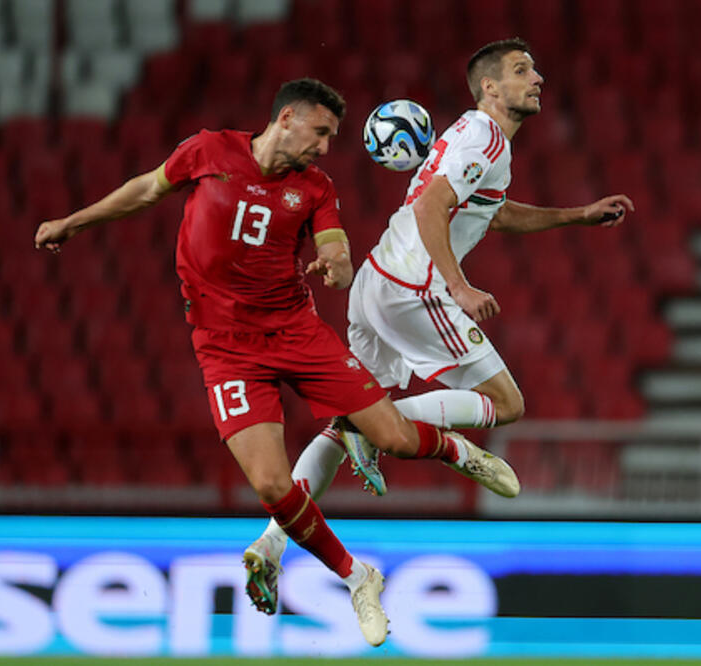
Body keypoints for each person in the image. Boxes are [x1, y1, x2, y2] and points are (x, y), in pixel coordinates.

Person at [33, 78, 519, 646]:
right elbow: (145, 189)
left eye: (332, 137)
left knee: (394, 438)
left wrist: (335, 263)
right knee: (269, 484)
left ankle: (460, 451)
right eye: (321, 132)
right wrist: (73, 222)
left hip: (296, 331)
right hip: (223, 346)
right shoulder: (209, 150)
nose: (324, 147)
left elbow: (334, 243)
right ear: (286, 118)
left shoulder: (315, 187)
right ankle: (358, 577)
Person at [245, 38, 635, 611]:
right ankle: (373, 426)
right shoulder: (484, 135)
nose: (539, 78)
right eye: (523, 70)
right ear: (490, 88)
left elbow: (492, 213)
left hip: (376, 282)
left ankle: (272, 543)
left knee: (341, 426)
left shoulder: (475, 140)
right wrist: (458, 285)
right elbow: (431, 206)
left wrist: (575, 215)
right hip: (412, 288)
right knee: (505, 405)